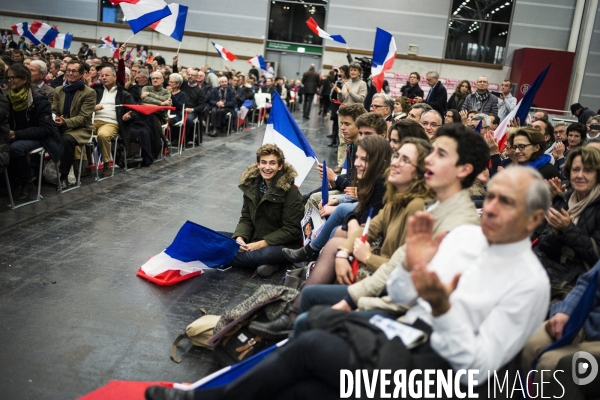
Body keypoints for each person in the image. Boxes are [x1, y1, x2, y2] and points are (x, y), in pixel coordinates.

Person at [251, 137, 433, 338]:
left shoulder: (416, 207)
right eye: (396, 155)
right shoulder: (398, 195)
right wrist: (344, 252)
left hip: (387, 288)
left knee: (328, 251)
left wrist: (366, 257)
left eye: (405, 159)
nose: (395, 161)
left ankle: (295, 317)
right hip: (375, 268)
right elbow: (369, 225)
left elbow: (401, 270)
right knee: (337, 241)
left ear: (421, 170)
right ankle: (295, 310)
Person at [283, 135, 391, 264]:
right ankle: (309, 250)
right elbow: (360, 202)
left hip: (372, 238)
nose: (357, 163)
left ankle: (310, 252)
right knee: (332, 219)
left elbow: (368, 218)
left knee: (338, 215)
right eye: (357, 158)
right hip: (362, 220)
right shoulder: (372, 177)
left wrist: (336, 181)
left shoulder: (381, 183)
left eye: (364, 159)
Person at [223, 144, 303, 278]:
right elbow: (246, 218)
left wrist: (259, 245)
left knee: (265, 254)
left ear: (280, 166)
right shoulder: (251, 186)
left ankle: (268, 260)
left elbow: (291, 230)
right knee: (217, 237)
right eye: (263, 162)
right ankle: (269, 263)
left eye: (272, 163)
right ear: (258, 164)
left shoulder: (291, 192)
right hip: (256, 238)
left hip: (282, 244)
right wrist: (240, 238)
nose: (267, 167)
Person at [535, 146, 600, 289]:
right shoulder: (563, 200)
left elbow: (596, 256)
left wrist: (567, 229)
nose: (580, 175)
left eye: (588, 170)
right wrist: (556, 233)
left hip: (581, 277)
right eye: (575, 169)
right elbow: (544, 246)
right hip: (551, 267)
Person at [6, 64, 63, 200]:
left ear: (25, 80)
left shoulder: (39, 100)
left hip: (41, 137)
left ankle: (26, 182)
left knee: (15, 148)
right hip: (16, 134)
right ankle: (10, 181)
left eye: (13, 78)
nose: (10, 81)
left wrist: (17, 134)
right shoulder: (7, 97)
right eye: (8, 78)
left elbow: (45, 129)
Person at [51, 60, 96, 189]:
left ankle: (63, 176)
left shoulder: (89, 92)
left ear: (82, 74)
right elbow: (54, 109)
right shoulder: (59, 90)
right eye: (68, 71)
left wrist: (66, 122)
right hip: (60, 125)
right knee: (42, 136)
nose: (70, 73)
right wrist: (55, 118)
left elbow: (83, 117)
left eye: (74, 71)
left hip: (80, 129)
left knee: (67, 139)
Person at [92, 64, 138, 175]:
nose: (103, 77)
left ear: (114, 77)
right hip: (93, 121)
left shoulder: (124, 94)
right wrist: (92, 107)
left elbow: (135, 113)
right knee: (78, 132)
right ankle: (83, 163)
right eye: (102, 75)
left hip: (111, 123)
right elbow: (84, 105)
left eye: (107, 75)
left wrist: (128, 116)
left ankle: (107, 164)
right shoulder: (95, 91)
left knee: (103, 135)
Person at [165, 72, 186, 146]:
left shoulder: (182, 94)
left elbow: (179, 106)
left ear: (177, 84)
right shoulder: (165, 91)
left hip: (176, 114)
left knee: (167, 121)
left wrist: (171, 95)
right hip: (165, 112)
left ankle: (166, 143)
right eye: (169, 81)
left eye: (171, 82)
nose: (169, 83)